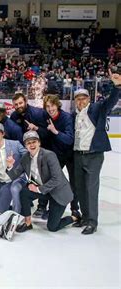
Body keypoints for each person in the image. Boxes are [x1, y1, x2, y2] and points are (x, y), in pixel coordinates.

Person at [72, 73, 121, 235]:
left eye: (83, 98)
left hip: (93, 155)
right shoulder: (75, 116)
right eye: (78, 99)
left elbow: (110, 102)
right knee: (80, 188)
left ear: (88, 99)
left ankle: (92, 221)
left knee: (91, 188)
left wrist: (117, 87)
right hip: (78, 155)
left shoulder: (96, 109)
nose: (81, 101)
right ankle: (85, 218)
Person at [6, 131, 78, 233]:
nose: (31, 145)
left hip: (58, 193)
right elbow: (14, 176)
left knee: (52, 227)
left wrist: (38, 189)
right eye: (28, 143)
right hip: (45, 191)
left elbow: (57, 179)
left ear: (39, 143)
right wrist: (9, 166)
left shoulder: (49, 155)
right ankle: (28, 223)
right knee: (24, 192)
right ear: (25, 146)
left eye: (34, 142)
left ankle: (74, 217)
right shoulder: (25, 158)